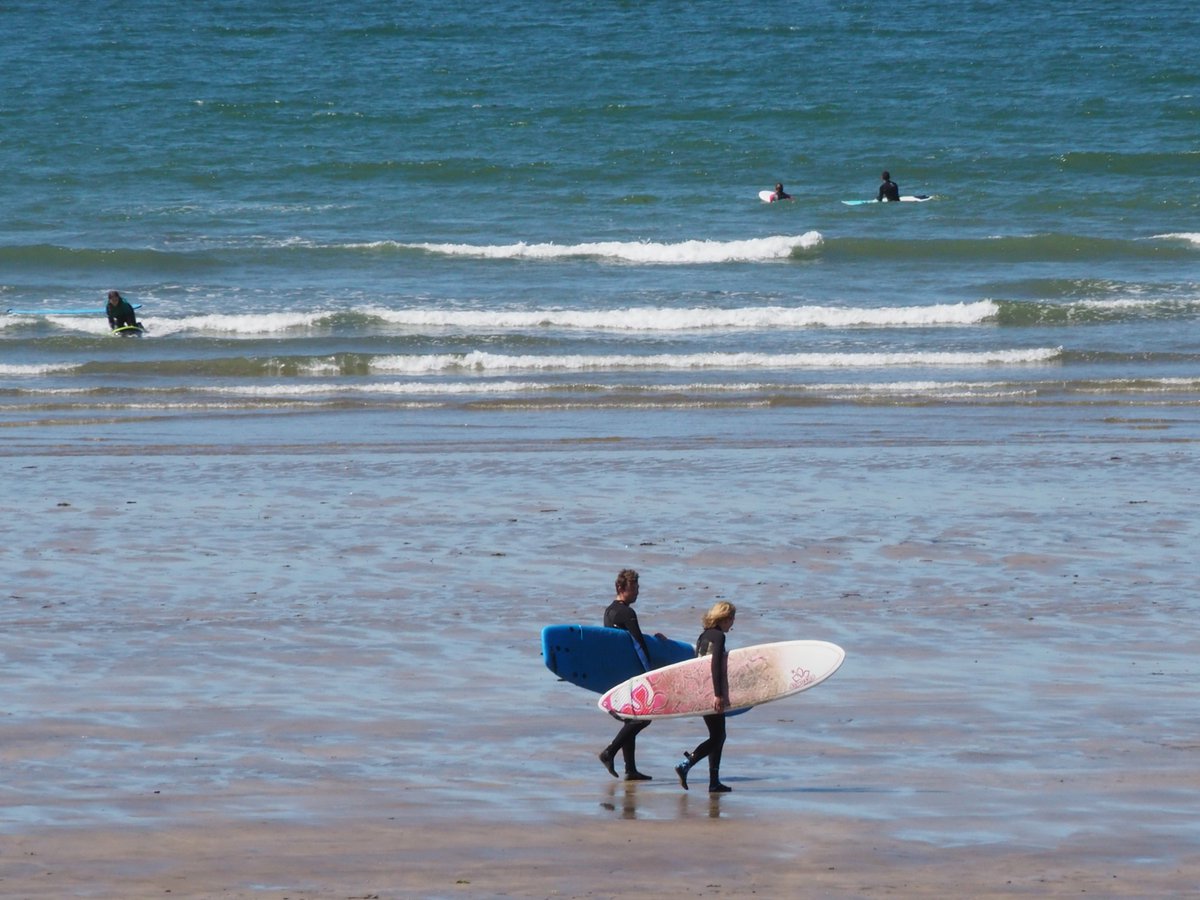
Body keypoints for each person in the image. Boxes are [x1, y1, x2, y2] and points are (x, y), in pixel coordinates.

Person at [598, 568, 657, 781]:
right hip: (630, 675)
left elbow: (621, 642)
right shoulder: (628, 613)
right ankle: (609, 752)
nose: (637, 592)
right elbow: (637, 644)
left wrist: (656, 640)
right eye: (634, 588)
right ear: (621, 588)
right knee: (642, 718)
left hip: (615, 674)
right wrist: (650, 673)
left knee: (632, 718)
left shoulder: (609, 612)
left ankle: (630, 769)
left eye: (638, 588)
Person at [674, 600, 737, 793]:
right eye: (732, 620)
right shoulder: (718, 637)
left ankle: (714, 782)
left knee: (717, 735)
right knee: (718, 736)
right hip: (712, 693)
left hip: (701, 692)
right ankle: (686, 764)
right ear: (725, 619)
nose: (732, 624)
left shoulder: (703, 636)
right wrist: (718, 694)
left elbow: (697, 666)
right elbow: (715, 665)